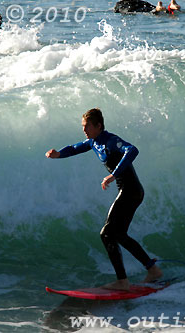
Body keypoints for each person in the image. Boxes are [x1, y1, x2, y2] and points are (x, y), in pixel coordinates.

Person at [45, 108, 163, 290]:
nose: (84, 130)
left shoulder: (111, 140)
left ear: (98, 126)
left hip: (131, 191)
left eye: (87, 127)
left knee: (106, 233)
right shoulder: (94, 142)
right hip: (128, 191)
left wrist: (113, 175)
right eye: (83, 127)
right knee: (119, 234)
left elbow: (133, 150)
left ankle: (123, 281)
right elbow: (75, 148)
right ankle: (152, 269)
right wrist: (59, 154)